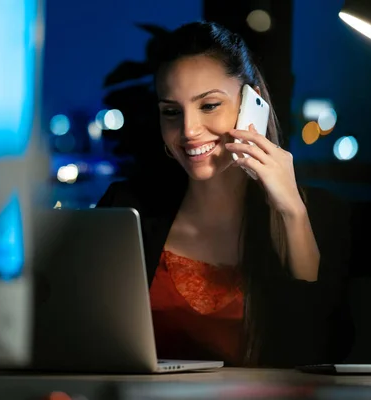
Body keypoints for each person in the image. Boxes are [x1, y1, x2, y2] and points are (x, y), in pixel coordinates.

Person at [98, 21, 353, 368]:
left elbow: (326, 351)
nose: (188, 131)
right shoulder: (128, 208)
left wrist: (292, 213)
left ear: (253, 103)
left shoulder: (314, 213)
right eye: (172, 112)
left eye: (209, 106)